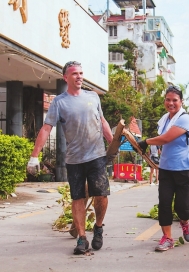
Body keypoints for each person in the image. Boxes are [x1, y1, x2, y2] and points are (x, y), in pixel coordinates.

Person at [26, 61, 113, 255]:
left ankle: (98, 227)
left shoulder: (93, 97)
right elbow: (46, 128)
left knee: (102, 195)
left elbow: (102, 121)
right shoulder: (59, 102)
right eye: (75, 74)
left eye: (81, 73)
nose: (79, 76)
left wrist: (112, 143)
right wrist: (34, 156)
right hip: (74, 159)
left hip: (97, 155)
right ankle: (82, 238)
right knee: (78, 197)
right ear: (66, 78)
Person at [136, 85, 189, 252]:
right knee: (164, 204)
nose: (171, 103)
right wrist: (148, 148)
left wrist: (146, 142)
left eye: (174, 100)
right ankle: (167, 238)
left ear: (181, 102)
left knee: (182, 207)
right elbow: (161, 141)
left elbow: (166, 138)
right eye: (168, 99)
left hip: (186, 169)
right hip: (166, 169)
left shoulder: (184, 119)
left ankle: (185, 222)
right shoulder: (164, 119)